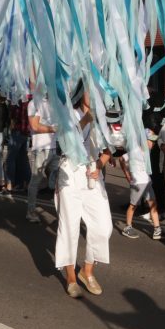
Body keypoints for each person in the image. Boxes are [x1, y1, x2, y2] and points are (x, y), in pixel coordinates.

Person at [54, 90, 113, 298]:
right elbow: (67, 142)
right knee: (69, 226)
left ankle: (87, 271)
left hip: (92, 175)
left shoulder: (105, 115)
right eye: (89, 87)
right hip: (69, 172)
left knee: (104, 227)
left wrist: (99, 165)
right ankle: (70, 277)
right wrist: (88, 118)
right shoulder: (68, 113)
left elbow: (111, 147)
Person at [26, 97, 58, 223]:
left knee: (59, 181)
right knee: (35, 181)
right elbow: (34, 125)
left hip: (55, 148)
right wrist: (53, 129)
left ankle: (62, 212)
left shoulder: (54, 102)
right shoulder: (34, 103)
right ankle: (31, 211)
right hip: (40, 148)